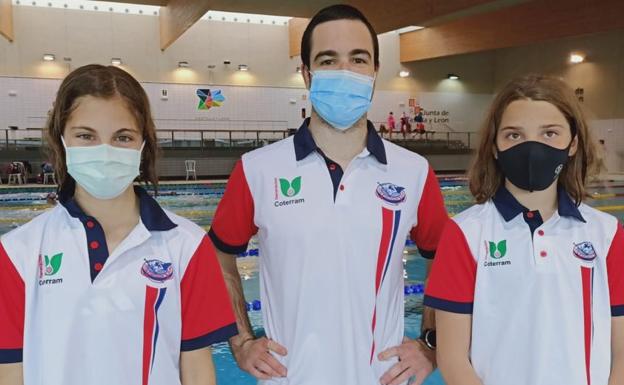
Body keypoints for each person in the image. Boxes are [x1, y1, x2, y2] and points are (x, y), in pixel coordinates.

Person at [209, 5, 448, 385]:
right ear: (306, 74)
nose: (344, 72)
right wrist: (240, 341)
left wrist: (431, 344)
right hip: (290, 377)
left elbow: (445, 257)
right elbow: (217, 254)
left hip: (382, 376)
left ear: (374, 72)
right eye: (327, 60)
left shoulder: (413, 172)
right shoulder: (257, 169)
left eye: (358, 59)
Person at [0, 64, 237, 385]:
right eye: (86, 136)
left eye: (122, 137)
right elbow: (10, 371)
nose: (105, 151)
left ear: (143, 145)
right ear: (62, 139)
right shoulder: (18, 253)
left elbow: (196, 369)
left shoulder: (188, 246)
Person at [424, 75, 624, 385]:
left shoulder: (607, 234)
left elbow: (622, 352)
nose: (533, 147)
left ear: (572, 144)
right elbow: (452, 358)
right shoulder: (465, 233)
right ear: (494, 146)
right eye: (514, 135)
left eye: (549, 133)